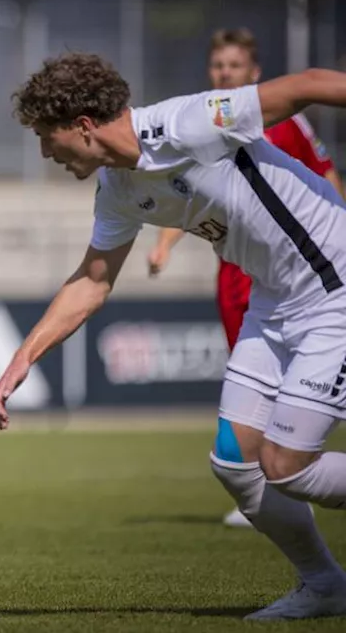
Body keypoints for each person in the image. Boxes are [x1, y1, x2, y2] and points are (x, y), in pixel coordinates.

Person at [0, 52, 346, 621]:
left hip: (334, 285)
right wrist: (25, 355)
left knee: (286, 465)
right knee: (237, 465)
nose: (44, 152)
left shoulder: (186, 123)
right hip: (273, 303)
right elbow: (92, 280)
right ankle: (326, 586)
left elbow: (304, 85)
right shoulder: (116, 188)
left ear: (83, 126)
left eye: (46, 136)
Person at [147, 28, 344, 531]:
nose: (225, 74)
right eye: (218, 67)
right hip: (241, 275)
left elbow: (323, 175)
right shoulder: (203, 125)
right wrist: (165, 244)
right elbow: (188, 194)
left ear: (253, 72)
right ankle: (261, 483)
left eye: (234, 67)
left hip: (306, 268)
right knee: (247, 395)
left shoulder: (279, 122)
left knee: (292, 423)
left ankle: (283, 467)